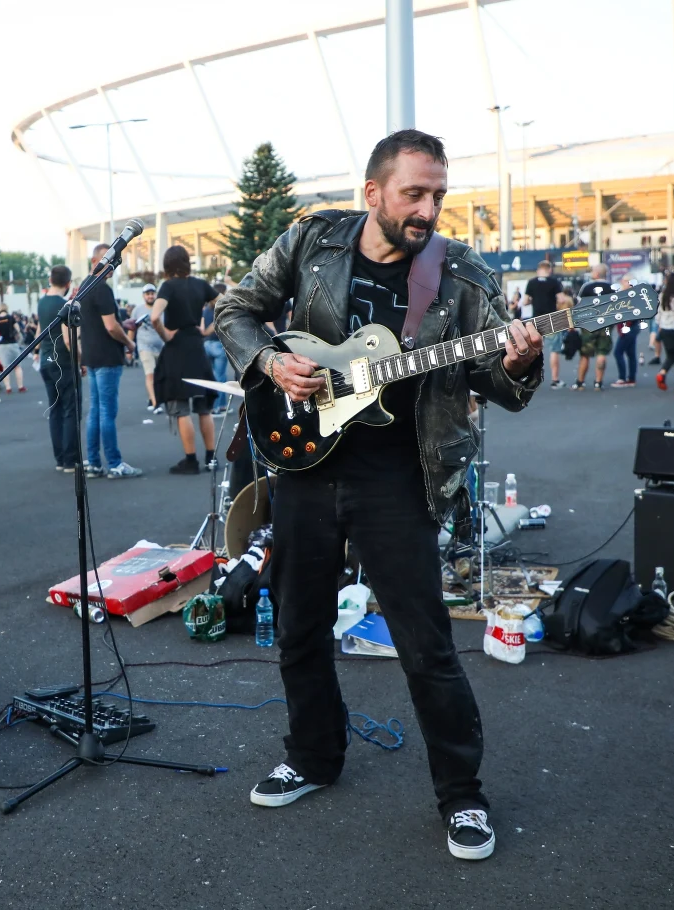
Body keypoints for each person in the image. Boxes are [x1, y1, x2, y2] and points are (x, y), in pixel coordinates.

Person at [216, 129, 543, 861]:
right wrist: (271, 363)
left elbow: (497, 383)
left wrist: (522, 359)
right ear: (374, 193)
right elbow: (234, 311)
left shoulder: (459, 276)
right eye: (414, 194)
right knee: (299, 626)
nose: (428, 209)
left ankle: (462, 795)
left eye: (438, 195)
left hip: (399, 477)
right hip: (303, 463)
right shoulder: (312, 242)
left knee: (425, 645)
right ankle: (312, 756)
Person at [151, 245, 219, 475]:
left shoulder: (168, 286)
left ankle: (191, 460)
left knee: (181, 408)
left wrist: (165, 334)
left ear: (167, 265)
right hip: (196, 347)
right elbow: (227, 305)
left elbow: (153, 317)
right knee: (204, 408)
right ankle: (211, 458)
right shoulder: (201, 285)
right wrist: (209, 329)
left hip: (176, 349)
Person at [80, 244, 141, 478]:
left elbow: (100, 323)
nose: (115, 265)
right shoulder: (102, 288)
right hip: (107, 357)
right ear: (100, 259)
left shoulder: (84, 286)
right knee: (106, 411)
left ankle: (94, 462)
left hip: (92, 356)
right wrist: (129, 342)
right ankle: (115, 463)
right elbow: (110, 326)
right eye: (113, 260)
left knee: (95, 410)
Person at [37, 266, 79, 471]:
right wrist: (79, 360)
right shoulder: (66, 305)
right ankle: (71, 459)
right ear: (68, 283)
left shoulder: (42, 302)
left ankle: (60, 459)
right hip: (63, 362)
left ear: (50, 279)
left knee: (55, 409)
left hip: (46, 361)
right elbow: (68, 339)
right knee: (71, 410)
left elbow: (39, 331)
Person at [523, 260, 568, 387]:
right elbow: (562, 299)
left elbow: (525, 301)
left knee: (533, 350)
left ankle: (529, 379)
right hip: (551, 319)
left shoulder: (531, 282)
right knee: (554, 350)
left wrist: (535, 301)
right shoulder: (554, 282)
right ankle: (555, 380)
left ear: (538, 270)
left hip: (536, 320)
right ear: (550, 270)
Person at [572, 264, 613, 390]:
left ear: (596, 274)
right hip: (606, 323)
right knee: (602, 352)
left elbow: (578, 305)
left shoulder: (587, 286)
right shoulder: (612, 287)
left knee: (585, 354)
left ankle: (580, 382)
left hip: (589, 324)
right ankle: (598, 383)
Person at [129, 283, 165, 413]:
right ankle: (156, 404)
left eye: (152, 293)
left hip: (161, 346)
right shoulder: (137, 310)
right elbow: (132, 329)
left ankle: (152, 397)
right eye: (147, 294)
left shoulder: (161, 309)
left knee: (160, 375)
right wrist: (129, 348)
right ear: (143, 296)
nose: (150, 296)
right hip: (145, 346)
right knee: (150, 374)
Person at [202, 283, 230, 412]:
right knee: (220, 377)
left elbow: (202, 328)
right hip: (218, 344)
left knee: (214, 376)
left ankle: (221, 405)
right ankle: (217, 407)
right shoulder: (222, 307)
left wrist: (205, 333)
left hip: (206, 344)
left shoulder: (205, 310)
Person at [610, 277, 641, 387]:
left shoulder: (628, 296)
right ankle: (631, 378)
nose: (622, 283)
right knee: (630, 353)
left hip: (628, 327)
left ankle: (622, 378)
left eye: (624, 281)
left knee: (618, 352)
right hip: (632, 326)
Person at [0, 303, 25, 394]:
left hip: (2, 345)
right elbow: (17, 329)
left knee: (5, 367)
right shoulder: (11, 318)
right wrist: (18, 335)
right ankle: (20, 386)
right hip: (12, 343)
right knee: (17, 366)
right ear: (6, 308)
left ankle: (8, 387)